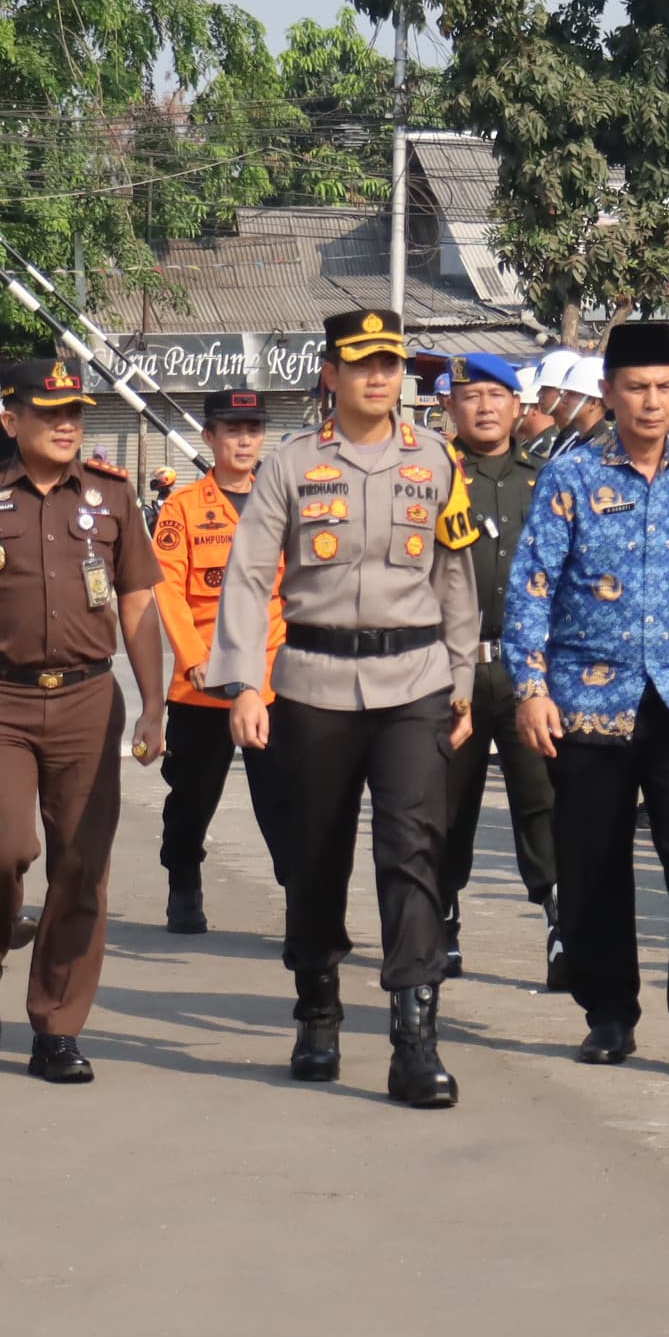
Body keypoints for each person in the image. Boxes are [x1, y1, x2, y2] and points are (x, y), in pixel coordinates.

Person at [208, 311, 480, 1103]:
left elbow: (456, 578)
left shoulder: (436, 460)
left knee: (413, 852)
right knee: (315, 855)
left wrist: (462, 680)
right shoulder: (291, 465)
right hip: (315, 683)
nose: (377, 378)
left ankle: (414, 1037)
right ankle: (318, 1008)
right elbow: (251, 576)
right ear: (331, 373)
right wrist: (244, 684)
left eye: (390, 365)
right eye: (361, 364)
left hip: (415, 681)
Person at [507, 319, 669, 1067]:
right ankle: (609, 1012)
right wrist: (530, 687)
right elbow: (533, 589)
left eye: (663, 388)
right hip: (589, 699)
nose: (651, 402)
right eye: (635, 388)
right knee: (593, 861)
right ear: (610, 394)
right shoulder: (571, 476)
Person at [0, 357, 164, 1081]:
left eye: (74, 414)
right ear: (11, 419)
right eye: (49, 413)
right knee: (1, 847)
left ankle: (56, 1026)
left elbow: (140, 604)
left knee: (82, 867)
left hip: (88, 699)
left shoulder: (114, 498)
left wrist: (154, 705)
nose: (65, 426)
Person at [435, 353, 561, 965]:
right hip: (449, 667)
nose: (484, 407)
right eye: (471, 396)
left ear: (519, 406)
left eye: (497, 395)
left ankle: (561, 922)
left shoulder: (547, 480)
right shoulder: (432, 477)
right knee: (446, 799)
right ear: (450, 408)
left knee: (541, 796)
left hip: (529, 668)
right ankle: (441, 916)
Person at [151, 388, 289, 934]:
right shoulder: (181, 508)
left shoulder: (283, 504)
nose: (244, 439)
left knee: (283, 798)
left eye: (253, 429)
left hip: (273, 680)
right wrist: (194, 660)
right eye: (232, 430)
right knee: (191, 796)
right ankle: (183, 880)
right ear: (209, 437)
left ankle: (299, 897)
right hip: (203, 683)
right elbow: (167, 590)